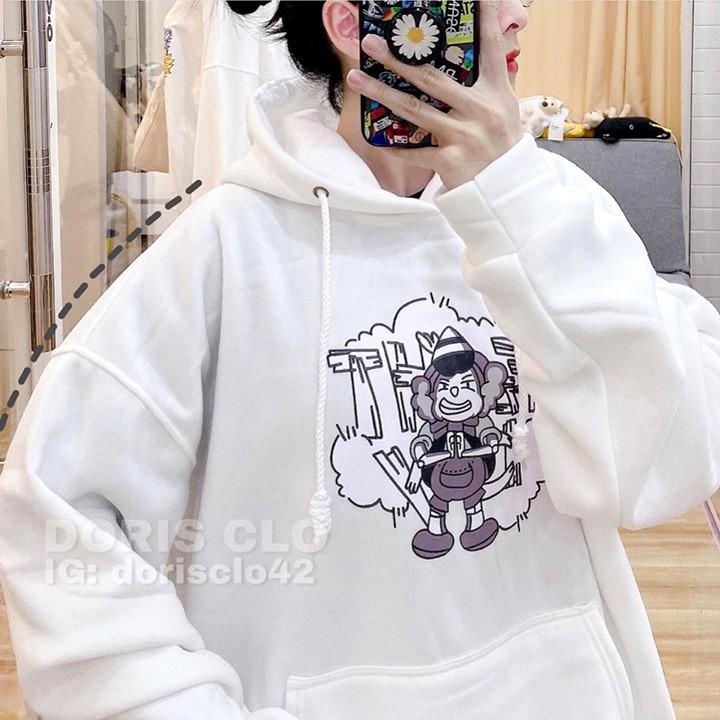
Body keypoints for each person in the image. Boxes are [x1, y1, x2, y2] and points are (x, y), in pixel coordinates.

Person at [1, 1, 719, 719]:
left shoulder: (554, 208)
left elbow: (668, 463)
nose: (517, 15)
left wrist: (516, 199)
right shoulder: (224, 248)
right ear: (354, 25)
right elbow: (59, 515)